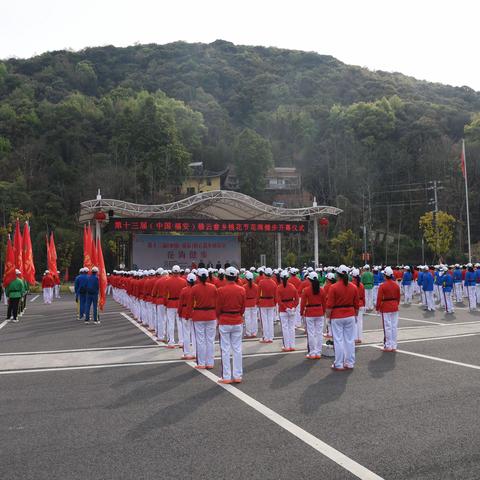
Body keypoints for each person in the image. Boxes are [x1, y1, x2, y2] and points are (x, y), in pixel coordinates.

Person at [325, 265, 359, 371]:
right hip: (350, 314)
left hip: (337, 315)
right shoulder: (353, 287)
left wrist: (327, 318)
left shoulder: (333, 287)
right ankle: (350, 362)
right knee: (349, 340)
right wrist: (355, 316)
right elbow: (356, 304)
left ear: (337, 275)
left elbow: (329, 305)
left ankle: (338, 363)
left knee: (338, 340)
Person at [216, 267, 246, 384]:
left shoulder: (221, 290)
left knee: (225, 349)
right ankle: (237, 375)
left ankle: (226, 376)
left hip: (225, 320)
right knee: (237, 349)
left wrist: (219, 316)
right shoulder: (241, 290)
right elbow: (243, 308)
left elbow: (218, 308)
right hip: (237, 319)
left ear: (226, 277)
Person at [189, 268, 218, 369]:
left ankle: (201, 363)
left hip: (199, 315)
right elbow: (217, 301)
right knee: (210, 340)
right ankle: (210, 362)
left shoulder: (194, 288)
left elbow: (190, 304)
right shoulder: (213, 287)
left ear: (198, 277)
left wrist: (189, 314)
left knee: (200, 340)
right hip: (211, 315)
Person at [300, 271, 326, 359]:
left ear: (309, 279)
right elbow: (324, 303)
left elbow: (302, 303)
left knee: (311, 333)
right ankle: (318, 352)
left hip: (310, 312)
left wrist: (301, 312)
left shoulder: (306, 290)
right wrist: (323, 312)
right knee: (319, 333)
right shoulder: (321, 290)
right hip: (319, 312)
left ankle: (312, 352)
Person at [376, 266, 401, 352]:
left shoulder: (383, 286)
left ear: (385, 275)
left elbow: (379, 298)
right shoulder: (396, 285)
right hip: (394, 306)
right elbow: (398, 297)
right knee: (394, 327)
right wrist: (396, 304)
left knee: (387, 327)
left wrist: (377, 307)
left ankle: (388, 345)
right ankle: (394, 345)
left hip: (386, 307)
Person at [276, 270, 299, 352]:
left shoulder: (279, 287)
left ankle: (287, 346)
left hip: (283, 310)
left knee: (285, 328)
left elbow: (278, 300)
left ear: (281, 278)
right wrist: (293, 307)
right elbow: (297, 299)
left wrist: (286, 308)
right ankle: (292, 346)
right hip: (291, 309)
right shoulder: (292, 286)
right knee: (291, 328)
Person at [164, 265, 187, 347]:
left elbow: (165, 294)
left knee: (171, 323)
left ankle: (171, 342)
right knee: (180, 324)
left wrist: (165, 303)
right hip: (179, 303)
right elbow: (185, 294)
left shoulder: (167, 281)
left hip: (170, 303)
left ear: (172, 271)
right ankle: (181, 342)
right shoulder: (183, 281)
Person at [178, 273, 196, 360]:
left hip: (185, 312)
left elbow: (180, 303)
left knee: (186, 333)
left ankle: (187, 353)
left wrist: (179, 312)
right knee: (195, 334)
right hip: (195, 312)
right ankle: (195, 352)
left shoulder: (184, 290)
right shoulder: (197, 289)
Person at [257, 267, 277, 343]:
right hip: (271, 302)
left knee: (264, 321)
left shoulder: (261, 282)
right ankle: (271, 337)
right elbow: (275, 295)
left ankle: (266, 337)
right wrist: (275, 302)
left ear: (265, 274)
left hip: (263, 302)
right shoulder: (273, 283)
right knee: (270, 320)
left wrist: (257, 302)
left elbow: (258, 293)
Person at [351, 268, 365, 344]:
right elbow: (363, 296)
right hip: (361, 303)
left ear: (353, 276)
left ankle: (355, 338)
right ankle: (360, 337)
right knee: (360, 322)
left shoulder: (351, 284)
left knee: (355, 322)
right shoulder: (361, 285)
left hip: (354, 304)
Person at [243, 271, 259, 338]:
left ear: (246, 278)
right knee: (254, 318)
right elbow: (258, 295)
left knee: (247, 319)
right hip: (254, 302)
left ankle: (248, 333)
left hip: (247, 303)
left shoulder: (244, 286)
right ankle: (254, 332)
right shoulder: (256, 286)